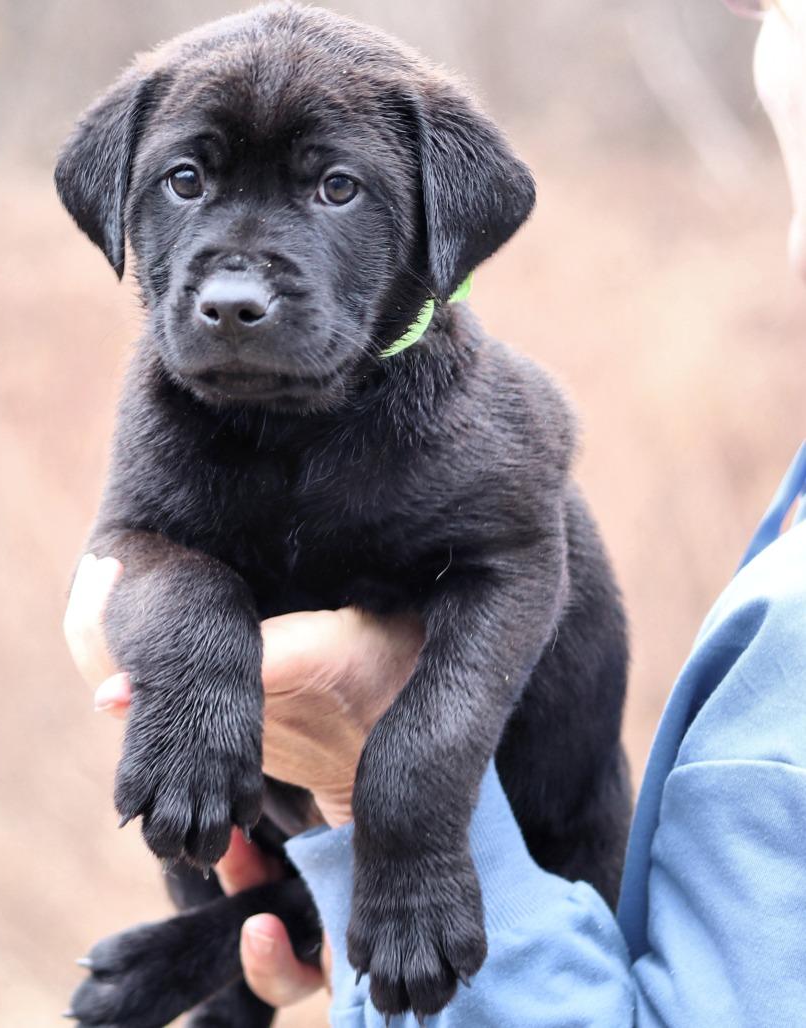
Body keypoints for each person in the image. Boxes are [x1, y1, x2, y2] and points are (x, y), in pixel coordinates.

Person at [64, 1, 806, 1022]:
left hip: (543, 838)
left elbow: (505, 566)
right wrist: (180, 625)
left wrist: (401, 820)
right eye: (185, 182)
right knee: (192, 719)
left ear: (438, 221)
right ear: (121, 199)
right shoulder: (163, 413)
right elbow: (134, 553)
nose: (234, 276)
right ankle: (240, 954)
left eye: (333, 188)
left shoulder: (469, 421)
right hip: (306, 854)